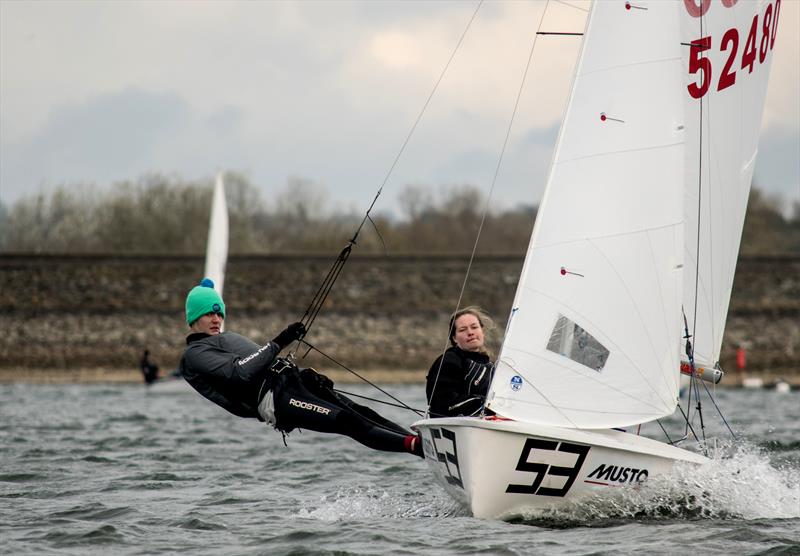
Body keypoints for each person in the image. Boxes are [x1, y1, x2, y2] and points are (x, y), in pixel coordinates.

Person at [179, 278, 422, 457]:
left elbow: (265, 362)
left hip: (292, 383)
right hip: (277, 401)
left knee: (362, 412)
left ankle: (422, 444)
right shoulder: (194, 355)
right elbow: (241, 372)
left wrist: (302, 375)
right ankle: (416, 448)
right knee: (348, 421)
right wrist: (281, 340)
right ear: (193, 318)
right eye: (209, 315)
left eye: (219, 314)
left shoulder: (225, 338)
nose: (216, 320)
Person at [425, 306, 494, 417]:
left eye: (474, 327)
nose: (470, 332)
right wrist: (489, 405)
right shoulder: (449, 361)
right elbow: (442, 405)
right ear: (454, 338)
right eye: (463, 329)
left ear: (483, 331)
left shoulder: (491, 366)